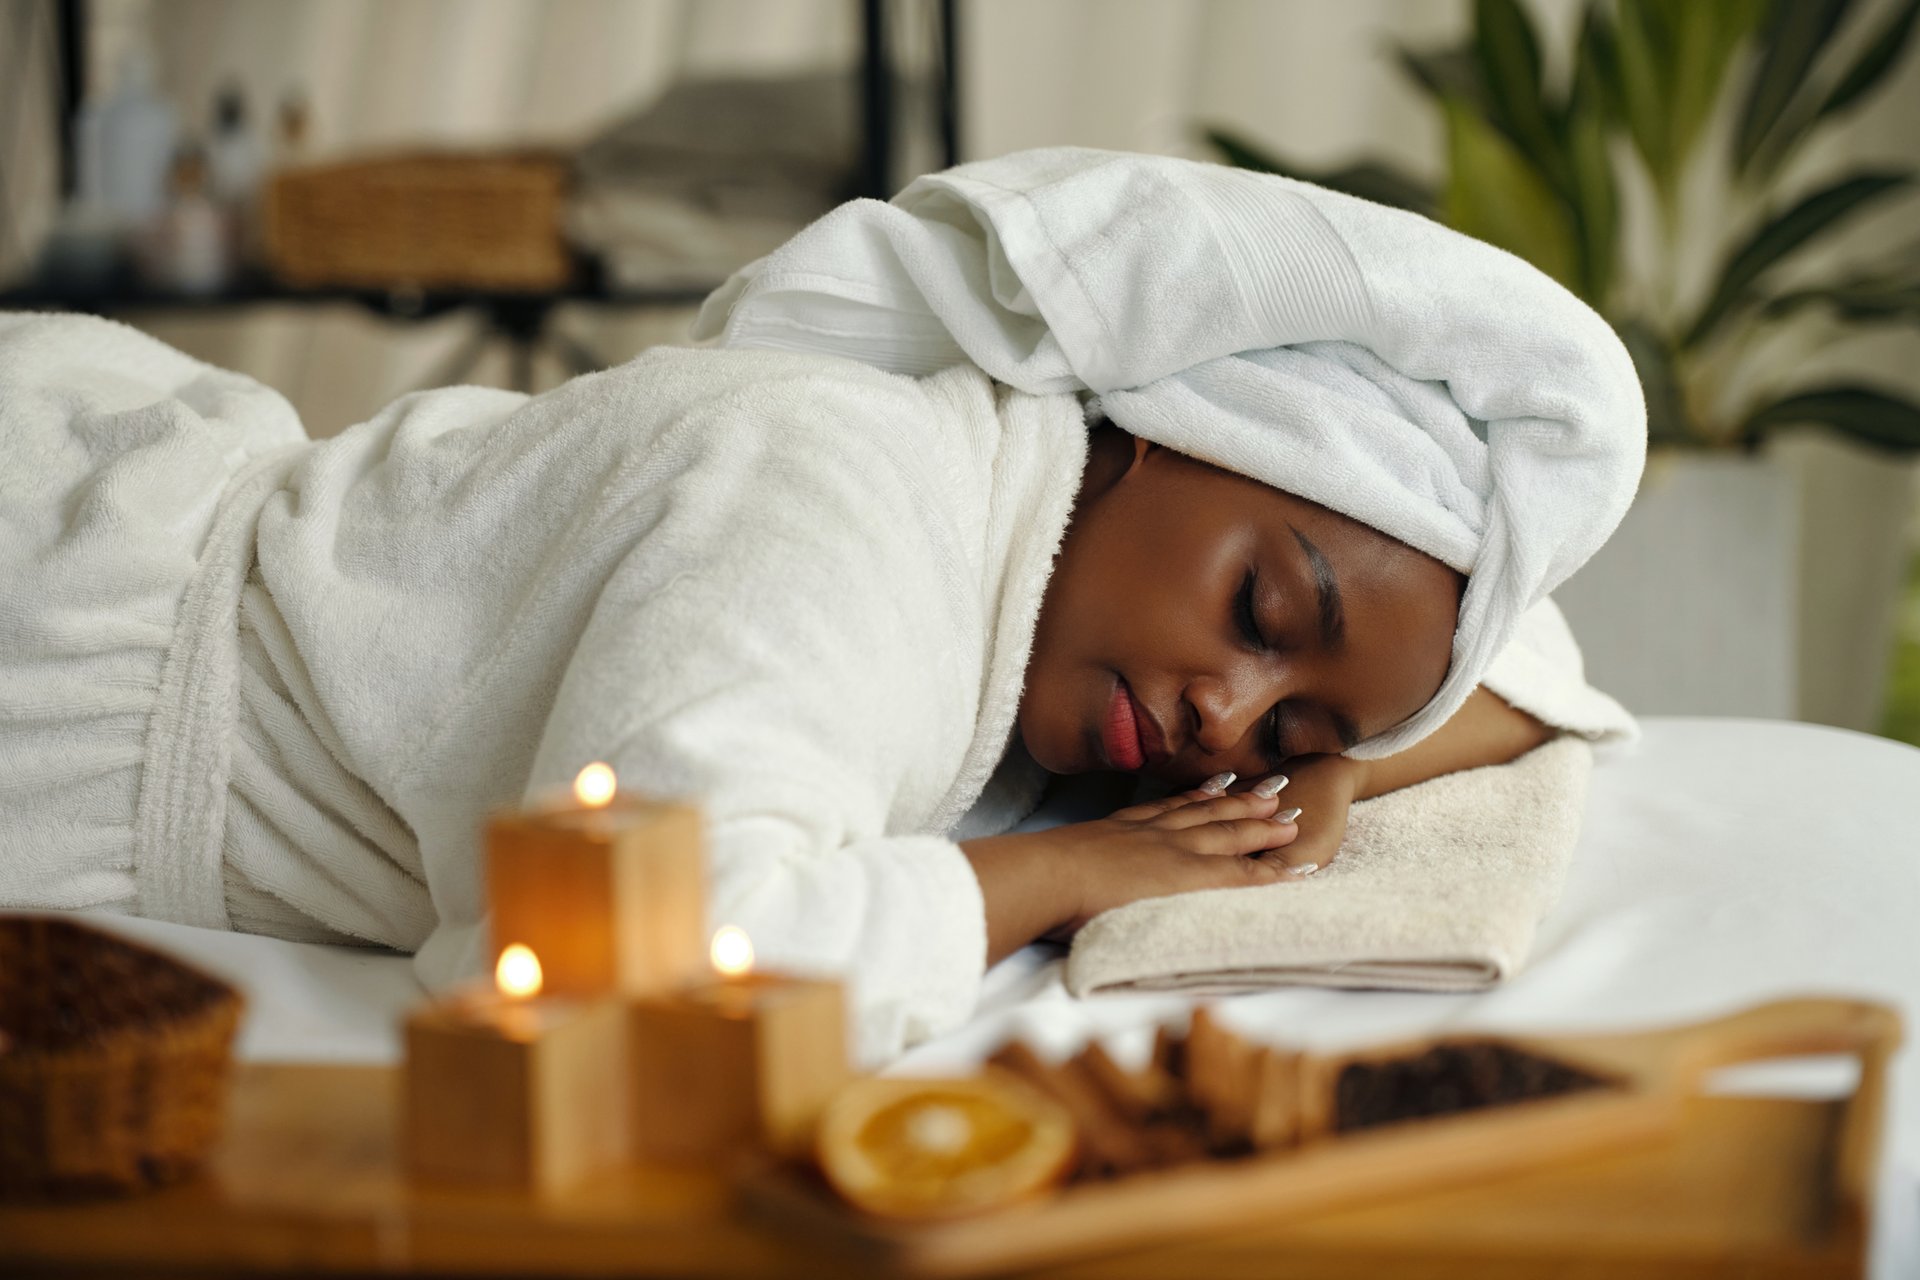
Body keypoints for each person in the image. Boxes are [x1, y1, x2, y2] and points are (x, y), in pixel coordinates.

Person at [0, 150, 1643, 1061]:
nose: (1222, 716)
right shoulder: (835, 522)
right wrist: (1062, 872)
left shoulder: (1017, 549)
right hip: (53, 618)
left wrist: (1330, 764)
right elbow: (620, 973)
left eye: (1284, 715)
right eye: (1256, 609)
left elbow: (1530, 672)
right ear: (1147, 433)